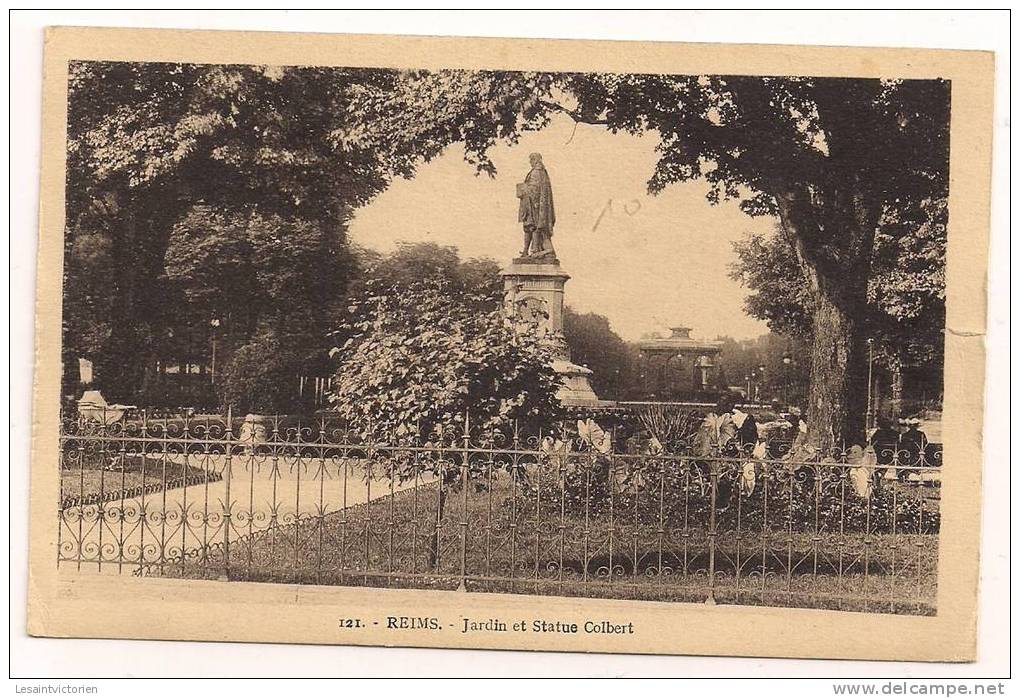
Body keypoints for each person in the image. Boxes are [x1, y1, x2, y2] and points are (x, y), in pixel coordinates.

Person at [516, 152, 556, 258]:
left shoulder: (536, 172)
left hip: (534, 206)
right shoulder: (541, 172)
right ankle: (526, 251)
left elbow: (535, 189)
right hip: (532, 205)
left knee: (532, 227)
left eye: (531, 160)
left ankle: (532, 250)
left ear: (535, 160)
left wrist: (524, 190)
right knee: (528, 227)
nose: (530, 162)